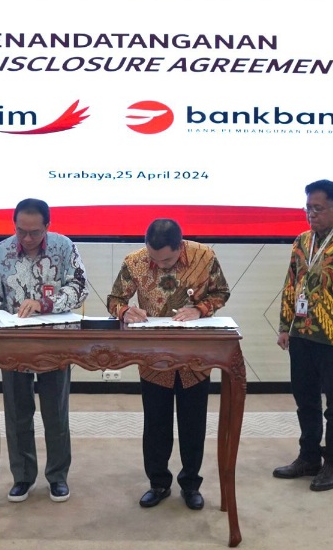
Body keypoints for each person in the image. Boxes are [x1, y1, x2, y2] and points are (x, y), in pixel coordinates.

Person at [107, 218, 230, 511]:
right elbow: (114, 299)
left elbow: (221, 292)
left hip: (195, 357)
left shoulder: (204, 256)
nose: (159, 265)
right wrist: (125, 311)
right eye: (154, 258)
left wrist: (199, 309)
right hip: (154, 357)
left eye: (167, 260)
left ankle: (191, 484)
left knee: (193, 424)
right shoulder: (135, 262)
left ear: (180, 246)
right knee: (156, 424)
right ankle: (158, 483)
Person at [0, 198, 88, 503]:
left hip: (54, 342)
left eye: (35, 232)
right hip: (13, 343)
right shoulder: (0, 252)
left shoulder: (65, 247)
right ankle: (22, 477)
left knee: (55, 412)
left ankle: (57, 477)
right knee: (17, 412)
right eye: (21, 231)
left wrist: (44, 303)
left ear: (47, 226)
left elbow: (79, 288)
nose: (26, 238)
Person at [273, 179, 333, 492]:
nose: (311, 214)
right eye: (308, 208)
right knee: (306, 401)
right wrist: (284, 326)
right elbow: (291, 284)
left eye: (318, 208)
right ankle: (309, 457)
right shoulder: (302, 242)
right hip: (302, 335)